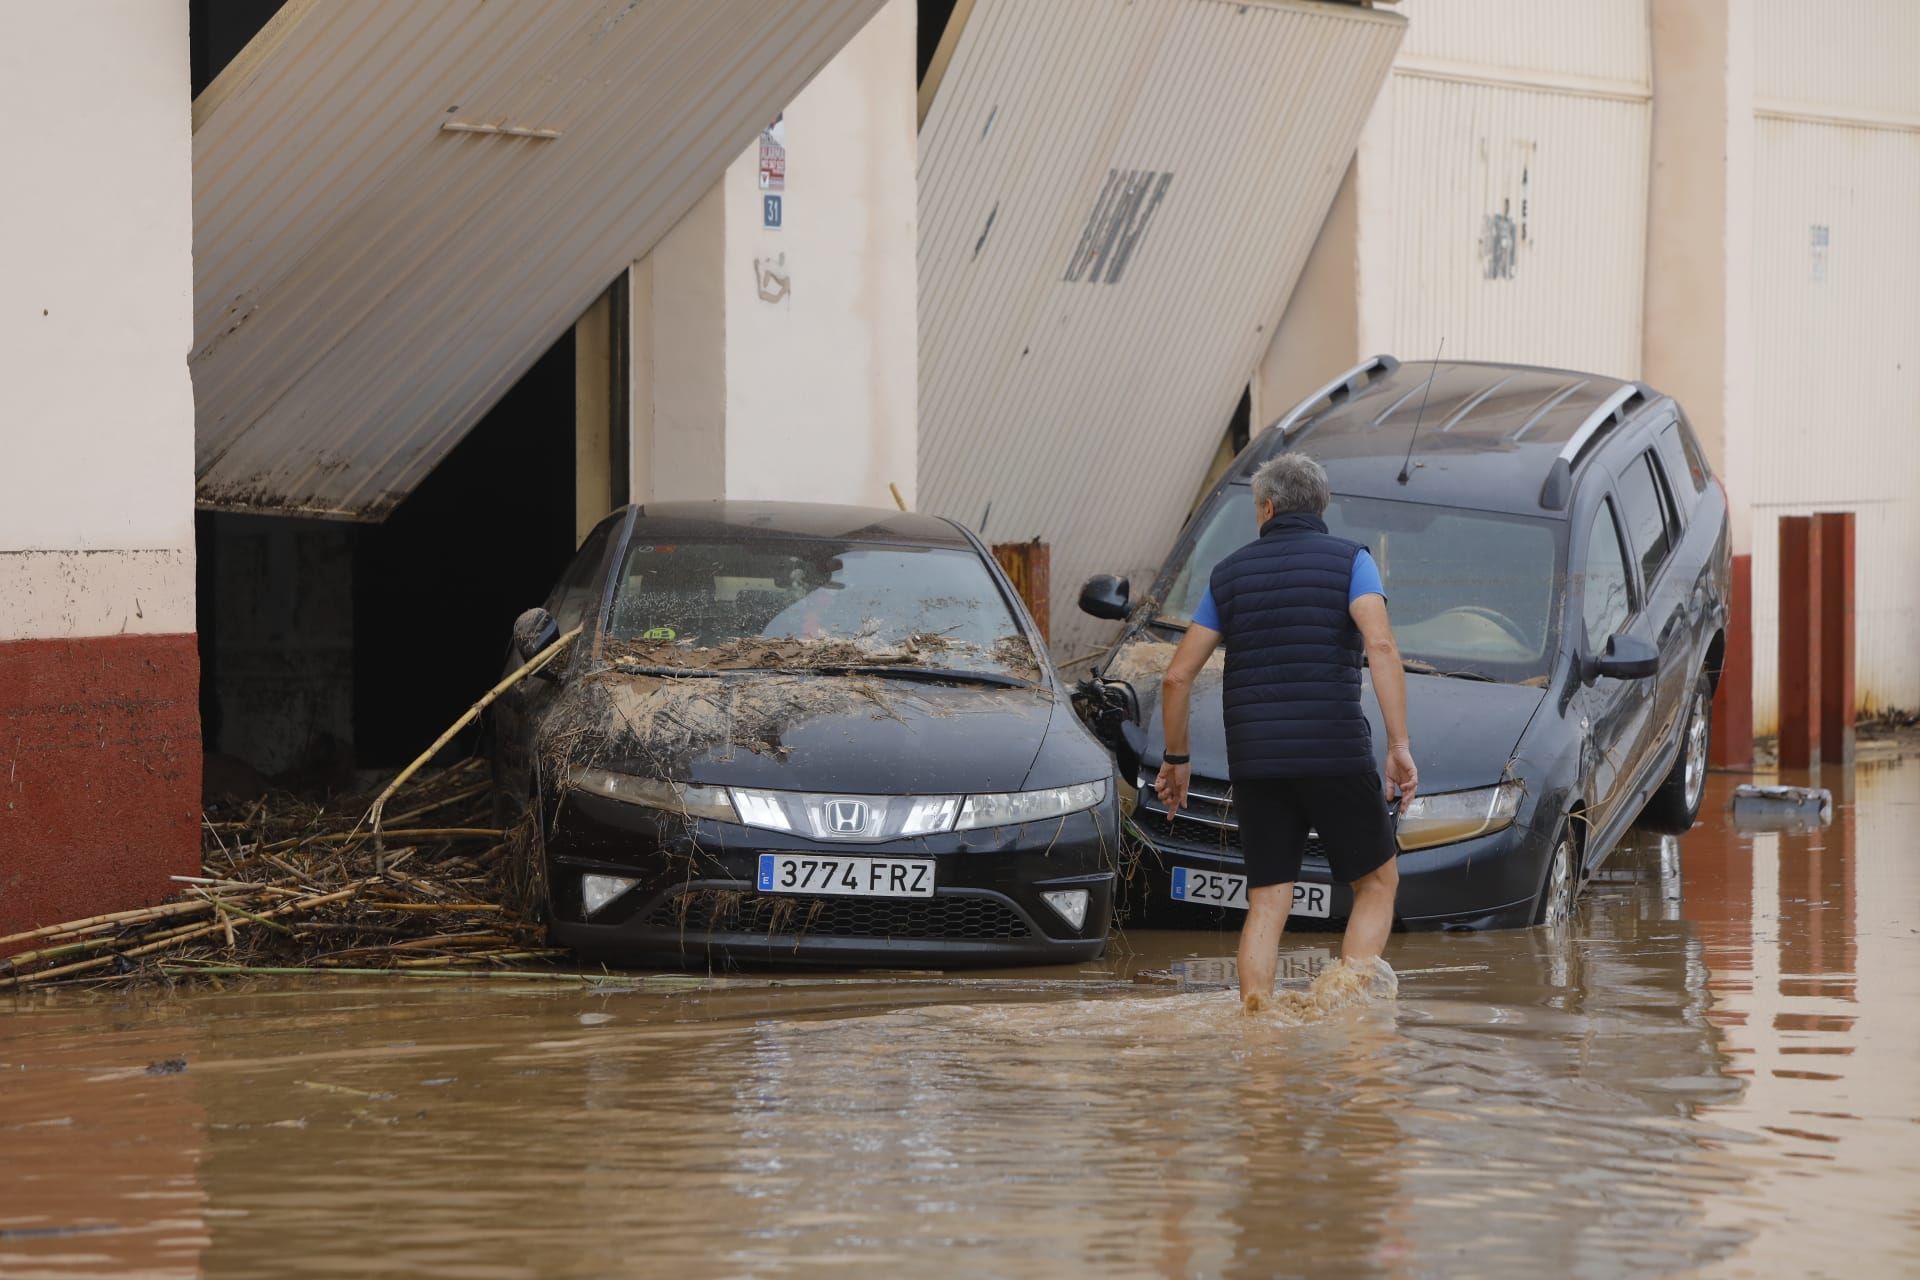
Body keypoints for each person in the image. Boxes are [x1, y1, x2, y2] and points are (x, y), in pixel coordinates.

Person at [1154, 453, 1417, 1011]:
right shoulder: (1354, 562)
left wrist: (1176, 758)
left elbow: (1177, 676)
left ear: (1267, 508)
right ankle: (1350, 1021)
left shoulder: (1228, 575)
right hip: (1336, 755)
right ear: (1320, 507)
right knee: (1375, 883)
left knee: (1268, 899)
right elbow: (1381, 645)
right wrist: (1398, 746)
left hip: (1257, 764)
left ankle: (1257, 1037)